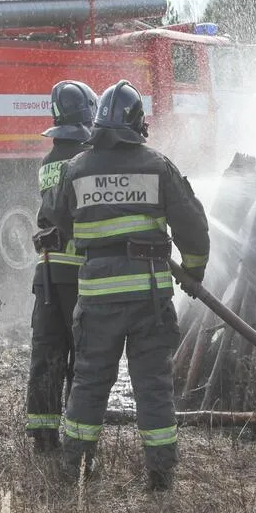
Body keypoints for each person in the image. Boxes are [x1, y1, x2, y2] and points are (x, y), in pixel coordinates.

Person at [40, 79, 210, 491]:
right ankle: (160, 474)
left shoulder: (76, 168)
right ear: (137, 124)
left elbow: (57, 215)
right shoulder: (157, 166)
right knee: (153, 384)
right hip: (149, 297)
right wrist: (193, 270)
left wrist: (92, 233)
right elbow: (192, 226)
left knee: (90, 381)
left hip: (97, 299)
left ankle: (77, 466)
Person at [25, 80, 98, 453]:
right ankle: (78, 437)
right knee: (82, 356)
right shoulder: (86, 160)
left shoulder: (48, 161)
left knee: (47, 353)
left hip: (47, 272)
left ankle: (42, 434)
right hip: (79, 273)